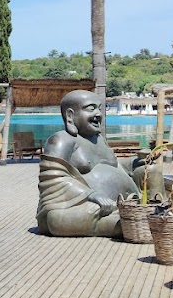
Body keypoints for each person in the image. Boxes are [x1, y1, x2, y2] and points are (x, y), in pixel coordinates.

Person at [36, 89, 139, 237]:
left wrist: (135, 163)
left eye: (100, 109)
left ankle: (152, 212)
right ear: (70, 115)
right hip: (85, 204)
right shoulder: (61, 140)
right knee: (56, 219)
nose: (98, 114)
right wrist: (91, 194)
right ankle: (117, 224)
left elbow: (113, 166)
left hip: (121, 199)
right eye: (91, 109)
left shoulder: (99, 139)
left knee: (150, 170)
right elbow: (53, 179)